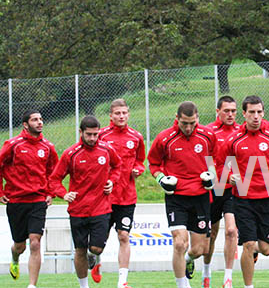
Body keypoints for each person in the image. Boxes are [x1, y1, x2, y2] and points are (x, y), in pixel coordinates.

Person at [148, 101, 218, 288]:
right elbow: (153, 164)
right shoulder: (164, 138)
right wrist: (161, 178)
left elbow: (216, 161)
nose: (188, 128)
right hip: (176, 197)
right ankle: (182, 285)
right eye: (184, 123)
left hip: (201, 197)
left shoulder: (208, 136)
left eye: (192, 123)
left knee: (200, 249)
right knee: (179, 243)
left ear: (198, 119)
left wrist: (212, 175)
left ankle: (188, 259)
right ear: (176, 119)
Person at [222, 95, 269, 288]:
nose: (256, 116)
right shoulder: (233, 139)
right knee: (248, 244)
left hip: (267, 199)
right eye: (251, 112)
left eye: (259, 112)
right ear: (243, 114)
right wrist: (228, 177)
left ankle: (252, 251)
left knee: (266, 249)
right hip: (242, 200)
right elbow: (220, 164)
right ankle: (248, 286)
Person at [49, 116, 122, 288]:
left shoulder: (107, 150)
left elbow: (118, 166)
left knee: (96, 248)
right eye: (89, 134)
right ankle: (84, 286)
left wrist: (112, 180)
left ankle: (94, 257)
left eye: (96, 134)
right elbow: (54, 179)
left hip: (101, 208)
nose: (92, 138)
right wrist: (63, 194)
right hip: (78, 210)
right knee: (80, 250)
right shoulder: (70, 154)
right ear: (80, 132)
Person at [0, 110, 58, 288]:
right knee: (20, 246)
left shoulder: (48, 147)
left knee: (35, 242)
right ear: (26, 124)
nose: (40, 122)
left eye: (41, 119)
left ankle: (32, 285)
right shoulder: (13, 145)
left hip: (38, 201)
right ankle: (15, 258)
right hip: (16, 200)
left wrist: (50, 192)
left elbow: (54, 173)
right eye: (35, 120)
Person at [98, 99, 147, 288]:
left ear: (128, 114)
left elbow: (141, 161)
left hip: (127, 197)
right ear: (111, 115)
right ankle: (95, 259)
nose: (121, 116)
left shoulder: (136, 137)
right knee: (98, 244)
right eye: (117, 113)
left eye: (124, 113)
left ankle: (122, 282)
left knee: (124, 236)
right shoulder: (101, 135)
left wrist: (137, 169)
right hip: (104, 197)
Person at [203, 96, 241, 288]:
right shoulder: (209, 132)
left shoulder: (240, 131)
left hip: (233, 189)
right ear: (217, 111)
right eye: (226, 111)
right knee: (211, 233)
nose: (230, 114)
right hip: (213, 188)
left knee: (232, 231)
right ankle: (206, 270)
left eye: (233, 111)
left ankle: (228, 278)